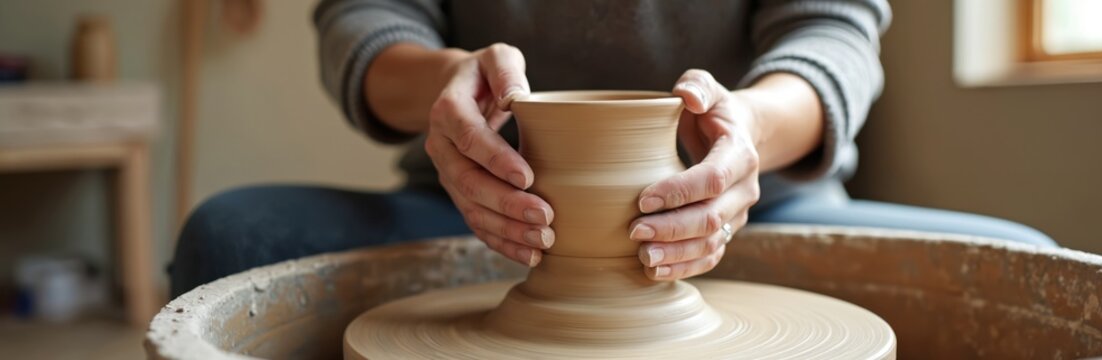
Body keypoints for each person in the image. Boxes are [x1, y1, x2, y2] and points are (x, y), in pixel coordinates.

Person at [170, 0, 1056, 297]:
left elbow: (833, 35)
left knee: (1028, 274)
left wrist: (747, 130)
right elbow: (364, 22)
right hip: (480, 208)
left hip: (748, 206)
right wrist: (446, 84)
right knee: (230, 238)